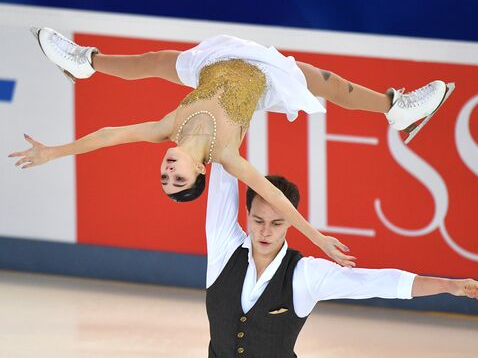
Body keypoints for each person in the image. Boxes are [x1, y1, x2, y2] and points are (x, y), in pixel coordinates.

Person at [9, 27, 453, 266]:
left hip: (215, 64)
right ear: (200, 172)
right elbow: (276, 198)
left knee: (153, 63)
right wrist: (317, 238)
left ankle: (84, 62)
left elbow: (107, 135)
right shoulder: (225, 155)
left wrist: (53, 153)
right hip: (263, 81)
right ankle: (397, 109)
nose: (168, 171)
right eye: (177, 179)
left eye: (163, 177)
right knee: (328, 84)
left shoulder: (168, 127)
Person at [204, 163, 478, 358]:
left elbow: (376, 282)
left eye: (277, 223)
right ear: (246, 212)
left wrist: (448, 285)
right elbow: (223, 168)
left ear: (292, 222)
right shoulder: (223, 248)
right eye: (258, 220)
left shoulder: (305, 275)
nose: (265, 231)